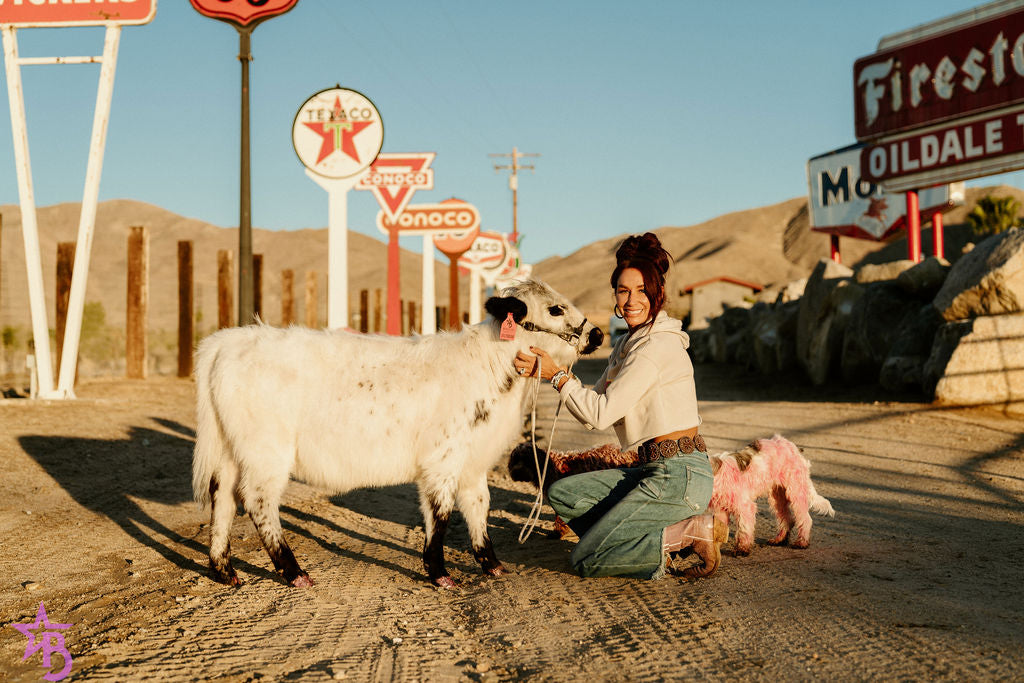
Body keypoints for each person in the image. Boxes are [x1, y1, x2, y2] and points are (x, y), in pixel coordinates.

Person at [513, 233, 727, 580]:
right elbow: (591, 411)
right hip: (649, 470)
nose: (631, 300)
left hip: (679, 476)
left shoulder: (655, 347)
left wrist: (556, 376)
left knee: (585, 559)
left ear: (658, 293)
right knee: (563, 493)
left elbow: (600, 415)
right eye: (623, 290)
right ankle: (637, 539)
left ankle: (685, 534)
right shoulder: (628, 345)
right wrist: (550, 372)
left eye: (641, 290)